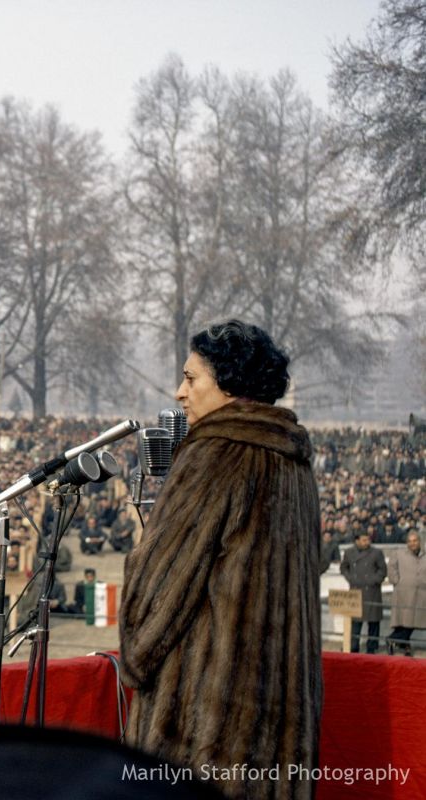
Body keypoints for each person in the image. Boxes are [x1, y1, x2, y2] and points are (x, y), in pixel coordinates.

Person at [119, 319, 322, 800]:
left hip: (201, 737)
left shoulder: (214, 454)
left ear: (230, 383)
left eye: (192, 378)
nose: (179, 392)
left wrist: (135, 655)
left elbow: (156, 595)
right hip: (280, 732)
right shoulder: (295, 463)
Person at [340, 530, 387, 653]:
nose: (367, 542)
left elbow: (383, 571)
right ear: (357, 541)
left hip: (372, 591)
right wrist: (350, 578)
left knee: (373, 622)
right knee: (355, 623)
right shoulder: (349, 552)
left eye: (368, 540)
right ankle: (353, 647)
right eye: (364, 540)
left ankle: (372, 648)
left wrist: (373, 580)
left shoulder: (377, 553)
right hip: (355, 591)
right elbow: (343, 567)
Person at [386, 532, 424, 655]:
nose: (412, 543)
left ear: (420, 541)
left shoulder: (424, 555)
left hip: (421, 595)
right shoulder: (399, 553)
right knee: (405, 620)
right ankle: (397, 642)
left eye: (415, 541)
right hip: (404, 593)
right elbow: (391, 568)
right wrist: (396, 581)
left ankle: (397, 642)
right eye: (410, 541)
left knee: (414, 621)